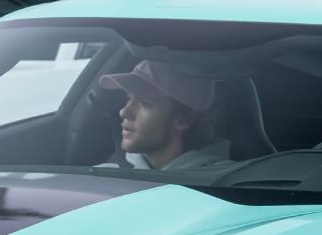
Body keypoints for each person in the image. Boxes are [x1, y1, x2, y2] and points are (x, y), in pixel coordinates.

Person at [98, 61, 231, 170]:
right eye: (128, 99)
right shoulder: (106, 176)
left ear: (183, 120)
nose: (124, 112)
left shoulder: (227, 187)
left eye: (144, 103)